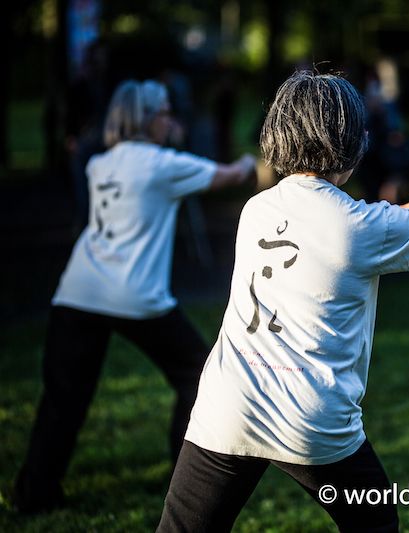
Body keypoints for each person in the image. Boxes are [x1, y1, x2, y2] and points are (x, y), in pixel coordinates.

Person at [156, 71, 409, 532]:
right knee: (375, 526)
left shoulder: (257, 209)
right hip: (311, 419)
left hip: (229, 404)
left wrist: (403, 216)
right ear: (350, 141)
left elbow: (338, 231)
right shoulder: (360, 226)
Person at [12, 79, 257, 514]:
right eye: (164, 111)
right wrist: (251, 157)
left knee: (62, 398)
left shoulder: (101, 164)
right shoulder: (161, 164)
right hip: (135, 296)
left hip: (78, 291)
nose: (171, 118)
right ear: (146, 118)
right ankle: (182, 478)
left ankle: (33, 494)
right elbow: (233, 176)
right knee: (198, 378)